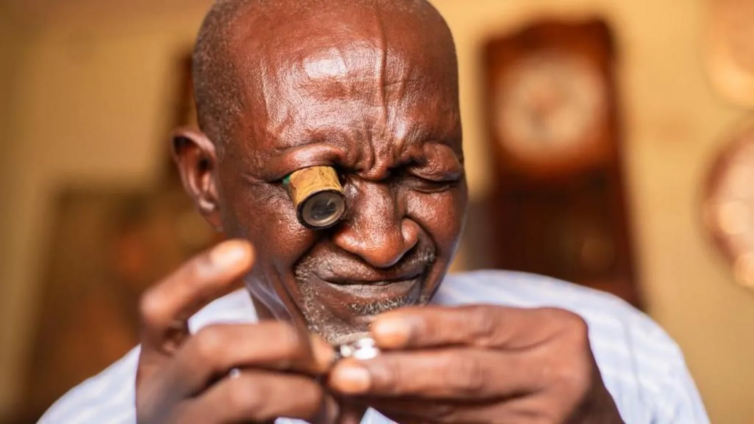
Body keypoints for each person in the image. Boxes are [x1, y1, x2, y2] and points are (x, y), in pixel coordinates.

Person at [40, 0, 709, 422]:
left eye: (429, 173)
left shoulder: (622, 358)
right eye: (316, 188)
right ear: (206, 181)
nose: (385, 244)